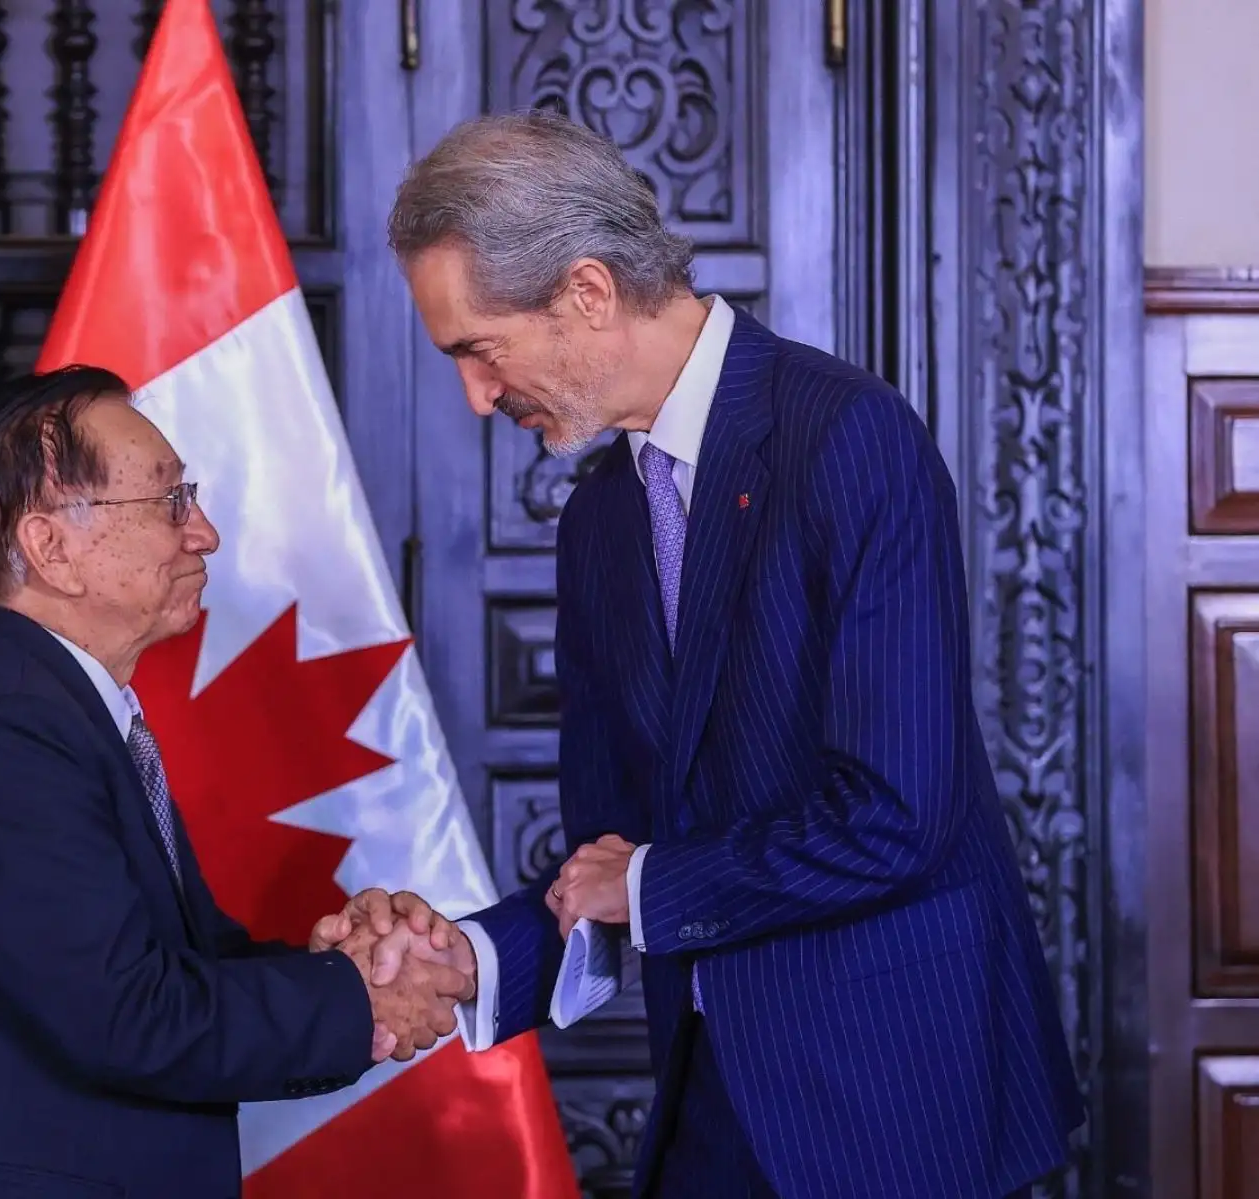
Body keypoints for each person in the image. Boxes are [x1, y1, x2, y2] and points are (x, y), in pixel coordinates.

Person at [315, 111, 1085, 1198]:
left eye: (477, 350)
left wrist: (643, 880)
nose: (476, 397)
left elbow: (897, 813)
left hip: (897, 1098)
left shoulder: (849, 436)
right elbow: (614, 855)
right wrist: (469, 961)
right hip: (711, 1103)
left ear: (586, 292)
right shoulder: (598, 520)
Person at [0, 366, 472, 1198]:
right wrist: (360, 1002)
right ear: (51, 548)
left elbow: (166, 965)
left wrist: (343, 963)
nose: (204, 533)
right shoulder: (4, 731)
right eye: (169, 501)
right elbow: (130, 1015)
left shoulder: (49, 706)